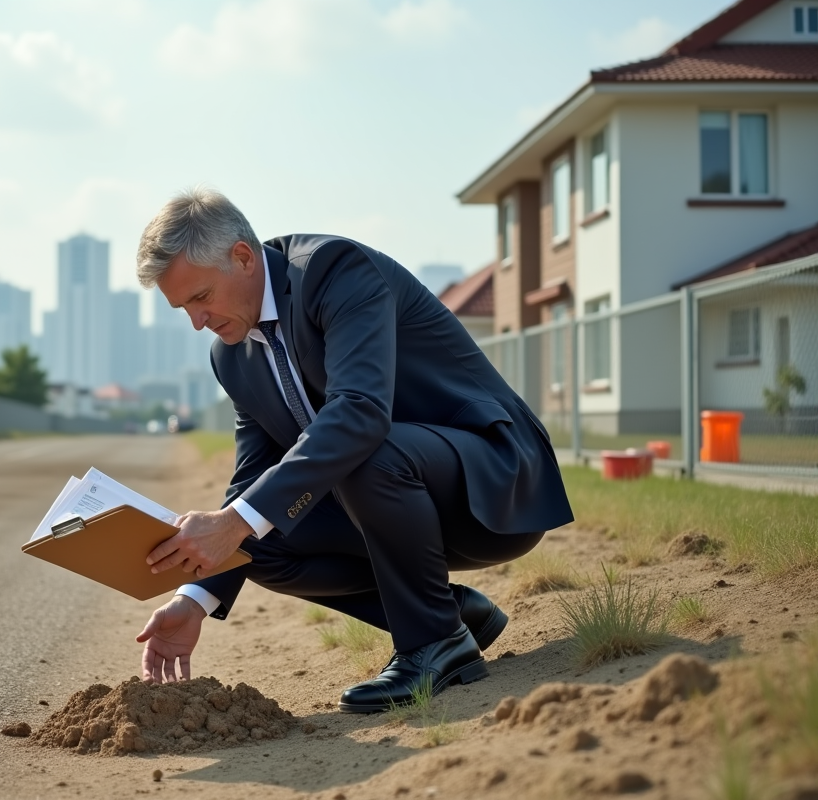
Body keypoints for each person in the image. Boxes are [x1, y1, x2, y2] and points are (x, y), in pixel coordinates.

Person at [133, 188, 573, 712]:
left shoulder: (332, 270)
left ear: (243, 258)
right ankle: (451, 617)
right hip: (394, 503)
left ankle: (432, 642)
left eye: (201, 297)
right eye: (184, 308)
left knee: (352, 450)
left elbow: (361, 412)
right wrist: (195, 596)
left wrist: (235, 521)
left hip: (493, 483)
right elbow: (253, 475)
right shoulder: (231, 356)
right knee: (257, 542)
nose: (197, 321)